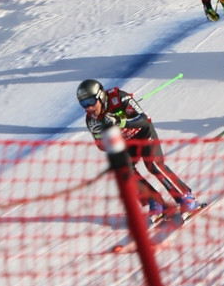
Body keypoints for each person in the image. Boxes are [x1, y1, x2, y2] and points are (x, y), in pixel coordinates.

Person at [77, 78, 198, 218]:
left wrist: (120, 122)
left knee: (153, 164)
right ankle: (155, 201)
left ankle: (186, 197)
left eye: (90, 102)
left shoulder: (119, 98)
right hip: (127, 144)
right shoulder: (91, 120)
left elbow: (144, 120)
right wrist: (100, 135)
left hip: (144, 133)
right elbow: (102, 147)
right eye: (83, 104)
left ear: (100, 96)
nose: (88, 108)